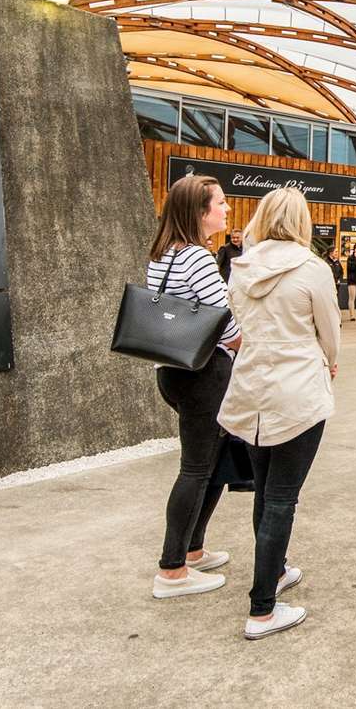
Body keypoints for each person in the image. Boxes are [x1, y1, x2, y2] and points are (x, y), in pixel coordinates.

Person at [221, 187, 339, 639]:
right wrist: (330, 360)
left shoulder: (241, 266)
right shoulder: (312, 269)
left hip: (250, 388)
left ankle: (273, 571)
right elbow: (328, 330)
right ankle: (262, 609)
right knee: (282, 498)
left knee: (265, 490)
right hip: (298, 391)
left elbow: (238, 322)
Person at [145, 174, 246, 601]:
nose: (226, 210)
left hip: (173, 369)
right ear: (199, 212)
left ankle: (193, 547)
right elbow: (225, 320)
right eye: (220, 203)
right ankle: (172, 570)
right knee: (196, 468)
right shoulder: (198, 259)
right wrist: (249, 348)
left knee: (212, 462)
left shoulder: (163, 256)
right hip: (204, 375)